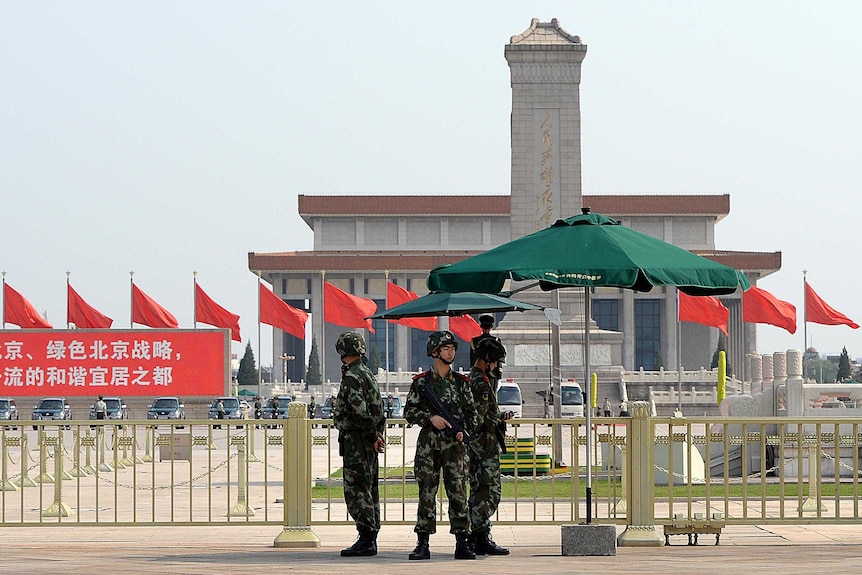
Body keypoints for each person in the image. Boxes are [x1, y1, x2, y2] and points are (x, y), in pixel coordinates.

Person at [405, 330, 478, 561]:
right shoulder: (422, 383)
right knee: (427, 493)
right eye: (446, 348)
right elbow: (409, 411)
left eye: (453, 348)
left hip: (454, 448)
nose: (451, 351)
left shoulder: (461, 383)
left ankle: (462, 542)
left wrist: (463, 431)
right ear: (434, 352)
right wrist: (429, 418)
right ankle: (423, 543)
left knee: (458, 493)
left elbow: (472, 415)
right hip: (429, 447)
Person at [332, 331, 386, 557]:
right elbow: (379, 408)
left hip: (357, 440)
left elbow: (360, 409)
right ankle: (370, 535)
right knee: (369, 488)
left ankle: (366, 538)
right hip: (367, 439)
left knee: (357, 490)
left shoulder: (353, 376)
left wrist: (373, 436)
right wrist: (377, 434)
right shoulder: (367, 373)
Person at [467, 337, 511, 556]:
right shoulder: (480, 383)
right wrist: (497, 420)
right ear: (486, 360)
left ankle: (479, 534)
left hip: (479, 445)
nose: (495, 367)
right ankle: (478, 535)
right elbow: (478, 418)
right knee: (489, 492)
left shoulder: (476, 379)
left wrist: (498, 416)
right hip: (483, 446)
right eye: (494, 362)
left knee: (479, 490)